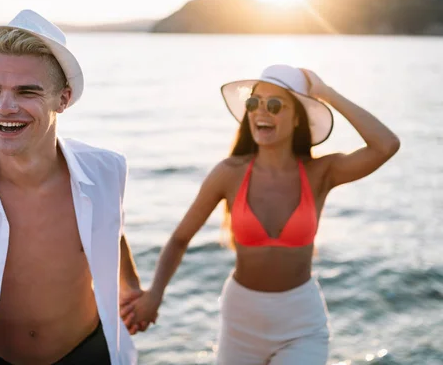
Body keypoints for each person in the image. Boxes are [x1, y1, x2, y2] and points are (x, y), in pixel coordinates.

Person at [121, 64, 400, 364]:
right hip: (241, 320)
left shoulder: (321, 172)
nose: (261, 112)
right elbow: (180, 238)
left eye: (275, 105)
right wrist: (154, 294)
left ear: (297, 119)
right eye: (254, 103)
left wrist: (326, 93)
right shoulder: (228, 173)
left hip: (301, 323)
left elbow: (386, 145)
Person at [0, 9, 144, 365]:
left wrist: (130, 286)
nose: (4, 107)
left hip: (92, 352)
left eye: (26, 92)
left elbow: (115, 227)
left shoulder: (108, 169)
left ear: (63, 99)